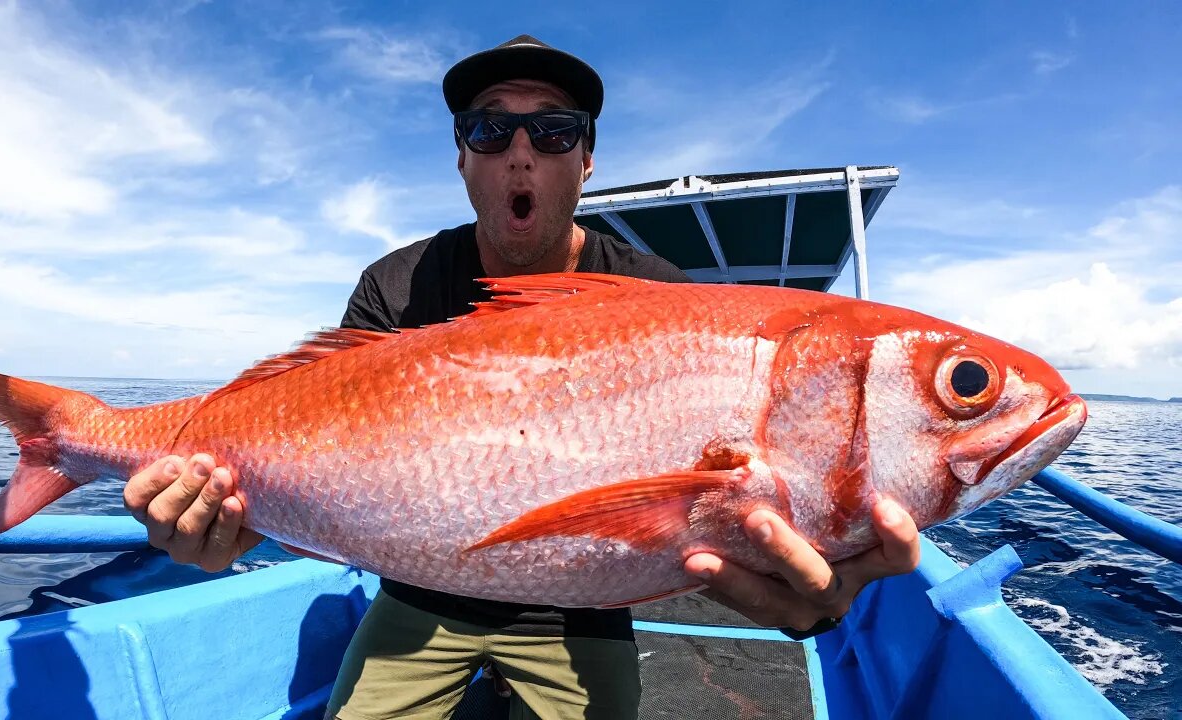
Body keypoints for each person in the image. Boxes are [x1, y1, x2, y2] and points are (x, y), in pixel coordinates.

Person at [122, 35, 921, 720]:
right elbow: (324, 452)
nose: (521, 152)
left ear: (587, 159)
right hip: (419, 596)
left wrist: (802, 597)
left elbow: (701, 512)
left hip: (579, 610)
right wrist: (236, 520)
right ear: (463, 157)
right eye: (491, 128)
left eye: (553, 130)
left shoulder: (656, 294)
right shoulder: (397, 285)